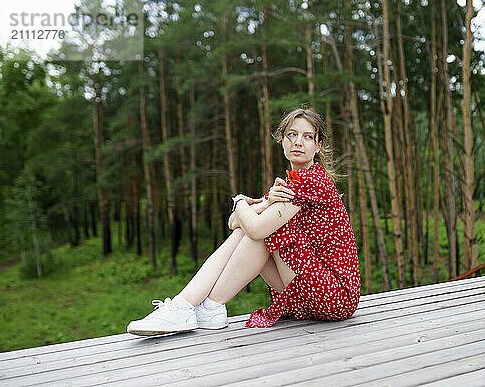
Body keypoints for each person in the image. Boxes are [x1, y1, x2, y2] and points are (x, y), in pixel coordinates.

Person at [127, 108, 360, 335]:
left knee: (266, 231)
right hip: (312, 293)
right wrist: (258, 207)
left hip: (335, 295)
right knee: (254, 229)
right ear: (281, 140)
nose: (298, 142)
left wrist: (240, 201)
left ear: (318, 146)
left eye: (308, 137)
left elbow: (255, 228)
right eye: (292, 134)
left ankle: (191, 306)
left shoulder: (312, 180)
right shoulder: (289, 184)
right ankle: (198, 307)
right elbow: (233, 223)